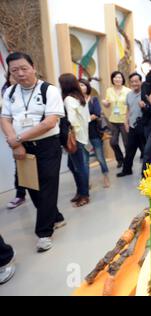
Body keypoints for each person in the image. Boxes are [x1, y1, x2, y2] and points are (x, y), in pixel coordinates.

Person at [1, 52, 65, 252]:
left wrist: (19, 138)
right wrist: (16, 143)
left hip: (48, 145)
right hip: (24, 148)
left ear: (33, 67)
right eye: (14, 70)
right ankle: (56, 217)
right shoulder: (10, 92)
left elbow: (50, 122)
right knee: (30, 186)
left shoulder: (49, 90)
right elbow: (5, 119)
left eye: (23, 68)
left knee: (47, 187)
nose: (20, 73)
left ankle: (44, 233)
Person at [59, 74, 90, 207]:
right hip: (81, 136)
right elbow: (86, 118)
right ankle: (80, 192)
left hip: (75, 137)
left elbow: (71, 119)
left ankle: (84, 195)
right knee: (73, 165)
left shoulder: (68, 99)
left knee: (79, 167)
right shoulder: (80, 97)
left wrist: (72, 134)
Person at [1, 71, 27, 209]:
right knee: (20, 167)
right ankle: (20, 194)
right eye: (12, 75)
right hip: (16, 137)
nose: (17, 76)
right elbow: (5, 119)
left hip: (32, 135)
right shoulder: (7, 94)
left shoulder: (32, 90)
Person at [79, 79, 110, 188]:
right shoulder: (76, 101)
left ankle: (106, 176)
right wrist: (87, 118)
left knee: (100, 157)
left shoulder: (93, 99)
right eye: (78, 86)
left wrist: (83, 119)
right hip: (82, 135)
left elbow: (96, 113)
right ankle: (86, 182)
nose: (81, 87)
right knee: (85, 160)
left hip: (94, 133)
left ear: (87, 86)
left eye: (82, 85)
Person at [117, 73, 146, 177]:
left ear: (140, 81)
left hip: (143, 126)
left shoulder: (145, 93)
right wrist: (126, 122)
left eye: (136, 81)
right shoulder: (129, 95)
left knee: (145, 151)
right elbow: (128, 109)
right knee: (129, 149)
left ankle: (148, 173)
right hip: (132, 126)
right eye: (132, 81)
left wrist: (144, 105)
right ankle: (127, 170)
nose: (134, 83)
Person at [102, 71, 131, 169]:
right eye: (115, 77)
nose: (117, 79)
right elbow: (108, 104)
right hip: (113, 120)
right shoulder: (109, 90)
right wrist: (105, 103)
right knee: (113, 142)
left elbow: (130, 105)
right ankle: (120, 159)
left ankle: (127, 161)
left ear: (122, 79)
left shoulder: (128, 91)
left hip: (124, 120)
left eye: (119, 77)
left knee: (127, 142)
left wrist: (128, 118)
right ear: (112, 79)